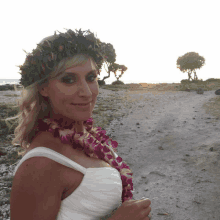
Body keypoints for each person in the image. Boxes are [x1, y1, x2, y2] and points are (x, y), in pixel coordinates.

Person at [10, 28, 151, 220]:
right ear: (43, 87)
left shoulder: (85, 136)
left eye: (91, 78)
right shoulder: (39, 165)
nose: (86, 92)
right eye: (69, 80)